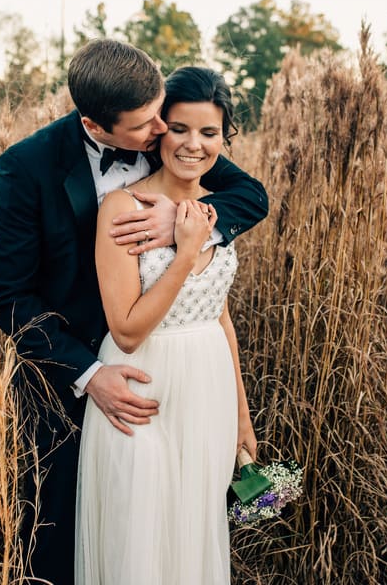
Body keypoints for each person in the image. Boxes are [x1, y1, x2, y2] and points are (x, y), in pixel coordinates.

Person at [0, 40, 268, 585]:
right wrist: (89, 376)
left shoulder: (169, 139)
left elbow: (250, 194)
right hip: (72, 373)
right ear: (96, 124)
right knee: (68, 536)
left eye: (164, 113)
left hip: (194, 382)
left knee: (187, 527)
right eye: (148, 125)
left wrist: (191, 221)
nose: (164, 130)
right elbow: (11, 298)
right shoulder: (27, 167)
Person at [75, 66, 259, 585]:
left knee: (193, 537)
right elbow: (128, 330)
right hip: (140, 393)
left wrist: (242, 418)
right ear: (159, 130)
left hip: (209, 396)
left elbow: (220, 317)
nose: (193, 145)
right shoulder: (122, 206)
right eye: (179, 129)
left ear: (225, 138)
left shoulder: (217, 210)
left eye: (209, 132)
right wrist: (183, 251)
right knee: (140, 542)